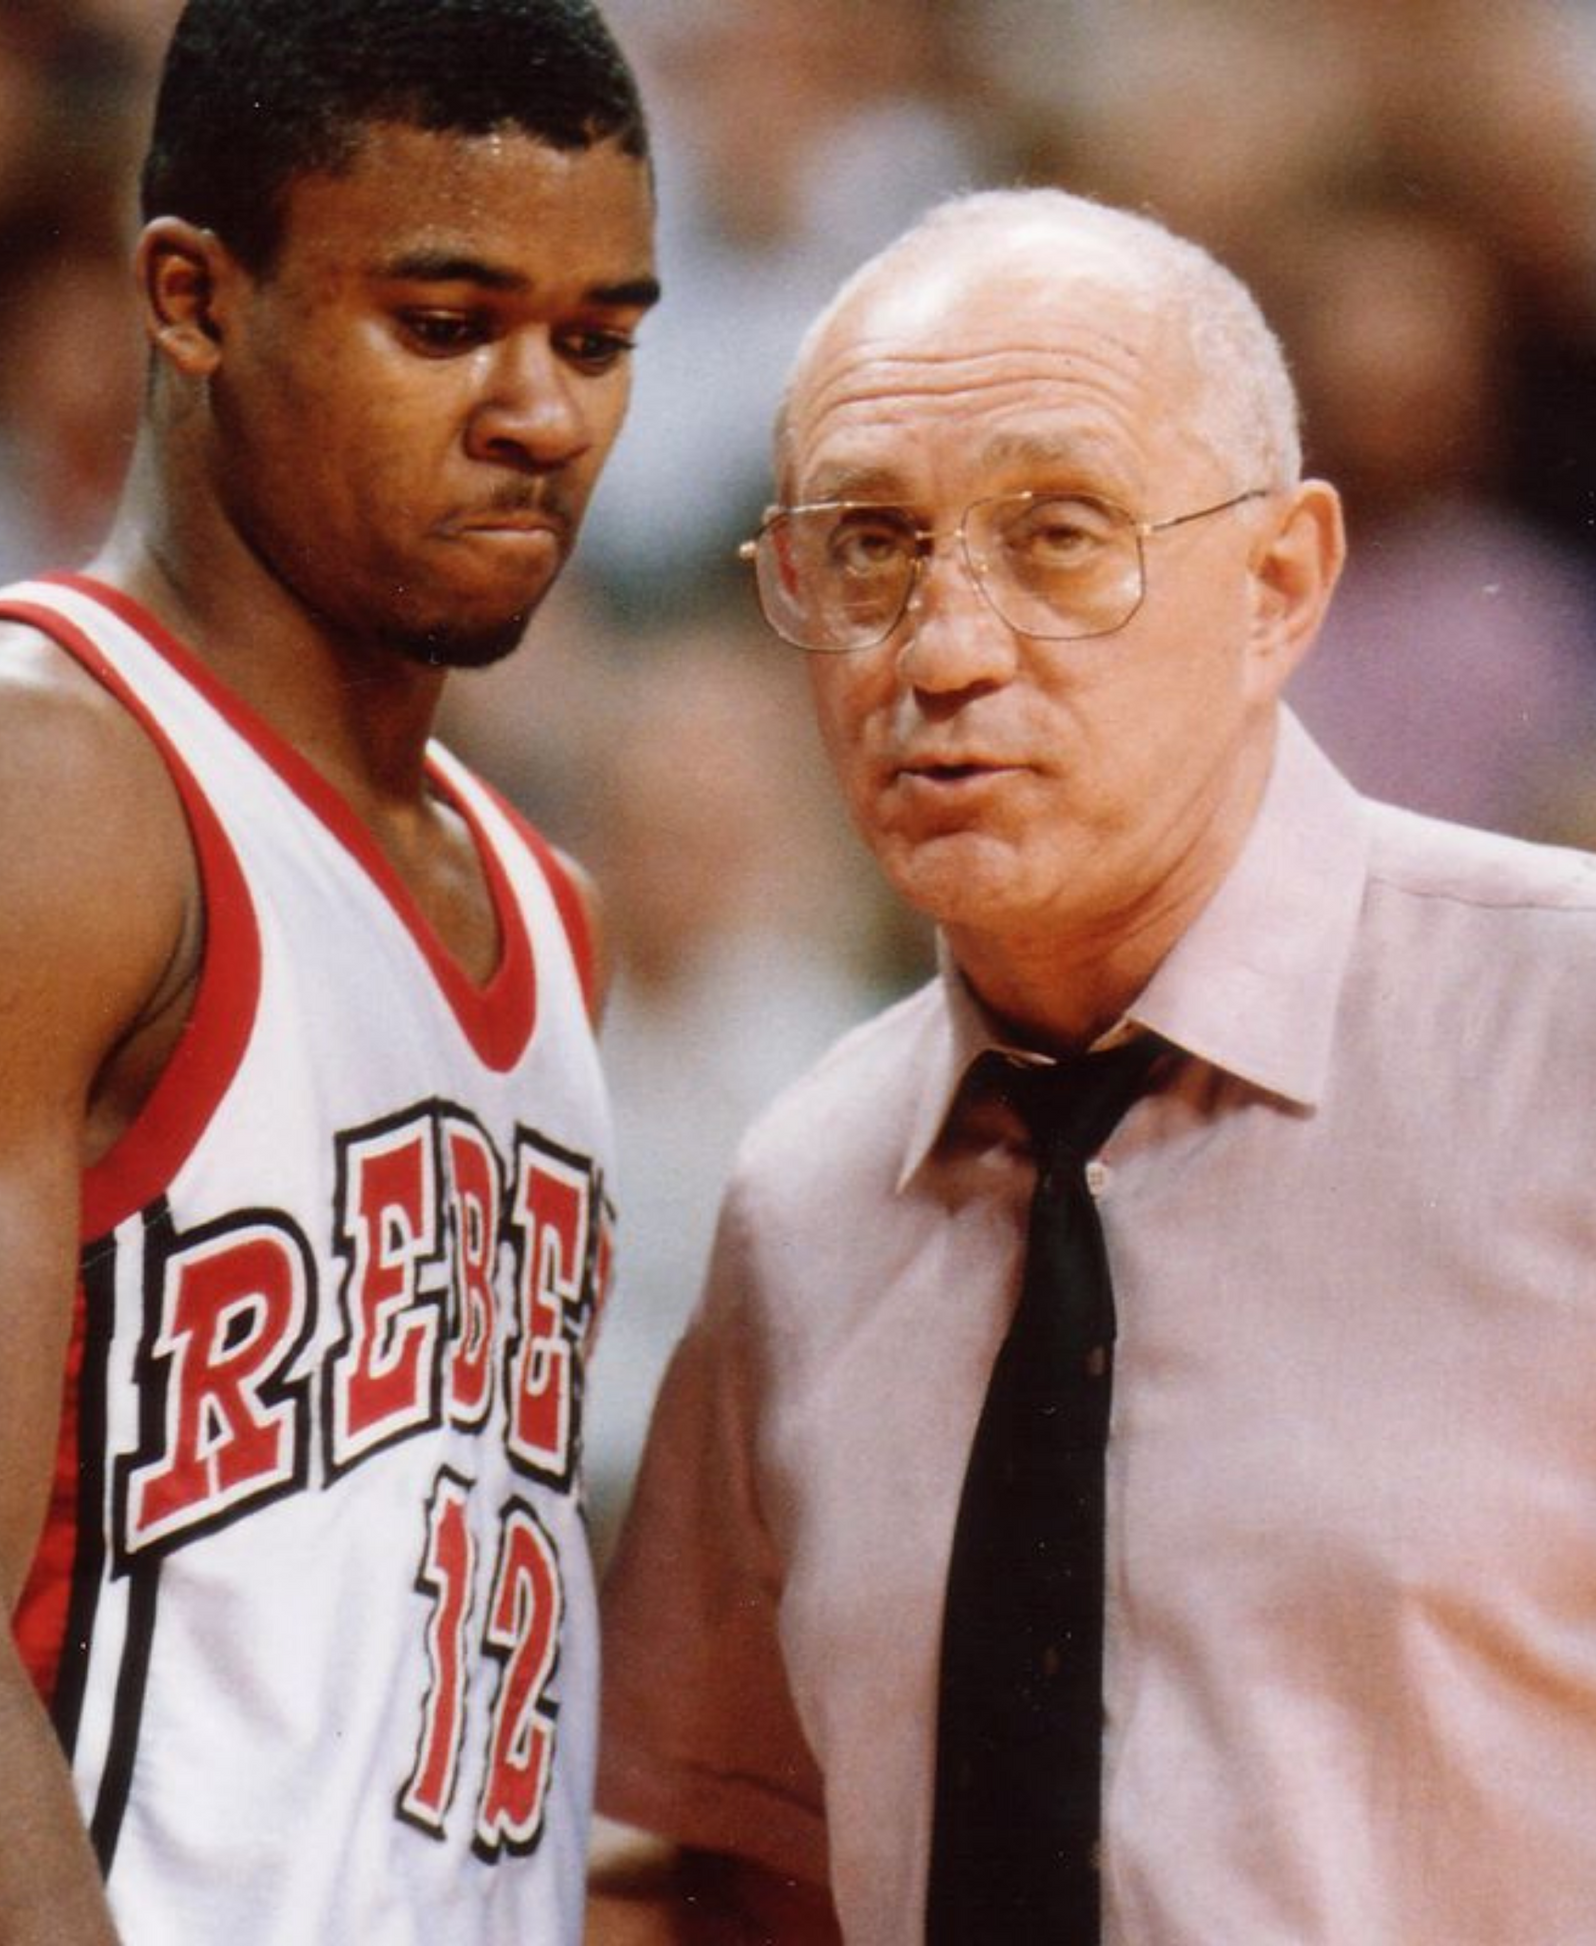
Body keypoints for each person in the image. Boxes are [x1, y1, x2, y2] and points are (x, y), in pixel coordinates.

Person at [0, 3, 657, 1942]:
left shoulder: (551, 912)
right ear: (191, 298)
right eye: (443, 320)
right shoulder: (5, 792)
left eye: (596, 339)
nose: (539, 410)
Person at [591, 186, 1596, 1944]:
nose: (945, 651)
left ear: (1279, 583)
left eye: (1056, 535)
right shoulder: (807, 1197)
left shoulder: (1566, 1029)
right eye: (868, 549)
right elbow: (732, 1878)